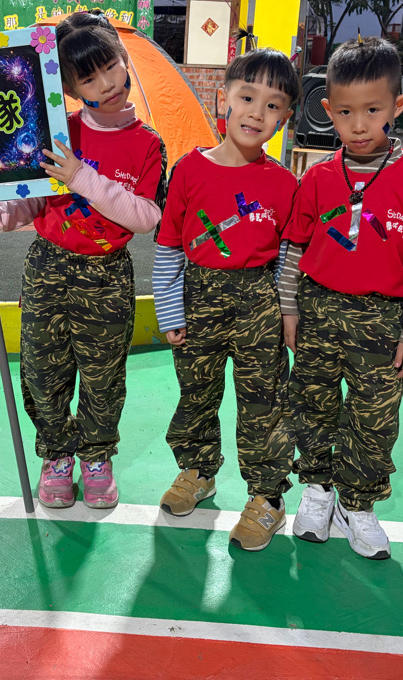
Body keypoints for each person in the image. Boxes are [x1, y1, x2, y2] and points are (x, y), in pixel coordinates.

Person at [0, 11, 166, 510]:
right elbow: (33, 200)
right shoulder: (56, 132)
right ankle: (57, 456)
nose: (107, 83)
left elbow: (144, 216)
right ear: (70, 89)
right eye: (89, 78)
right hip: (48, 267)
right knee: (42, 371)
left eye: (111, 66)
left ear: (124, 59)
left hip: (107, 275)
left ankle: (97, 458)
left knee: (103, 376)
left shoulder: (148, 144)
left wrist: (80, 176)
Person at [278, 36, 403, 560]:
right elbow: (293, 247)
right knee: (312, 405)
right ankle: (317, 489)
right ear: (327, 110)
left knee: (374, 418)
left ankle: (358, 504)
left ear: (397, 106)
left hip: (383, 319)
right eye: (345, 112)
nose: (358, 125)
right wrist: (288, 307)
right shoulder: (317, 178)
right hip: (318, 310)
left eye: (372, 110)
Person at [153, 47, 299, 552]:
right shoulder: (188, 170)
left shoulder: (285, 184)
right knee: (196, 392)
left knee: (264, 402)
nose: (257, 113)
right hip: (198, 296)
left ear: (285, 118)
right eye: (248, 97)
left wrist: (287, 314)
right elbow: (169, 245)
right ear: (224, 99)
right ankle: (198, 470)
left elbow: (288, 258)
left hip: (259, 301)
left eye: (273, 105)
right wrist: (168, 308)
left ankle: (267, 496)